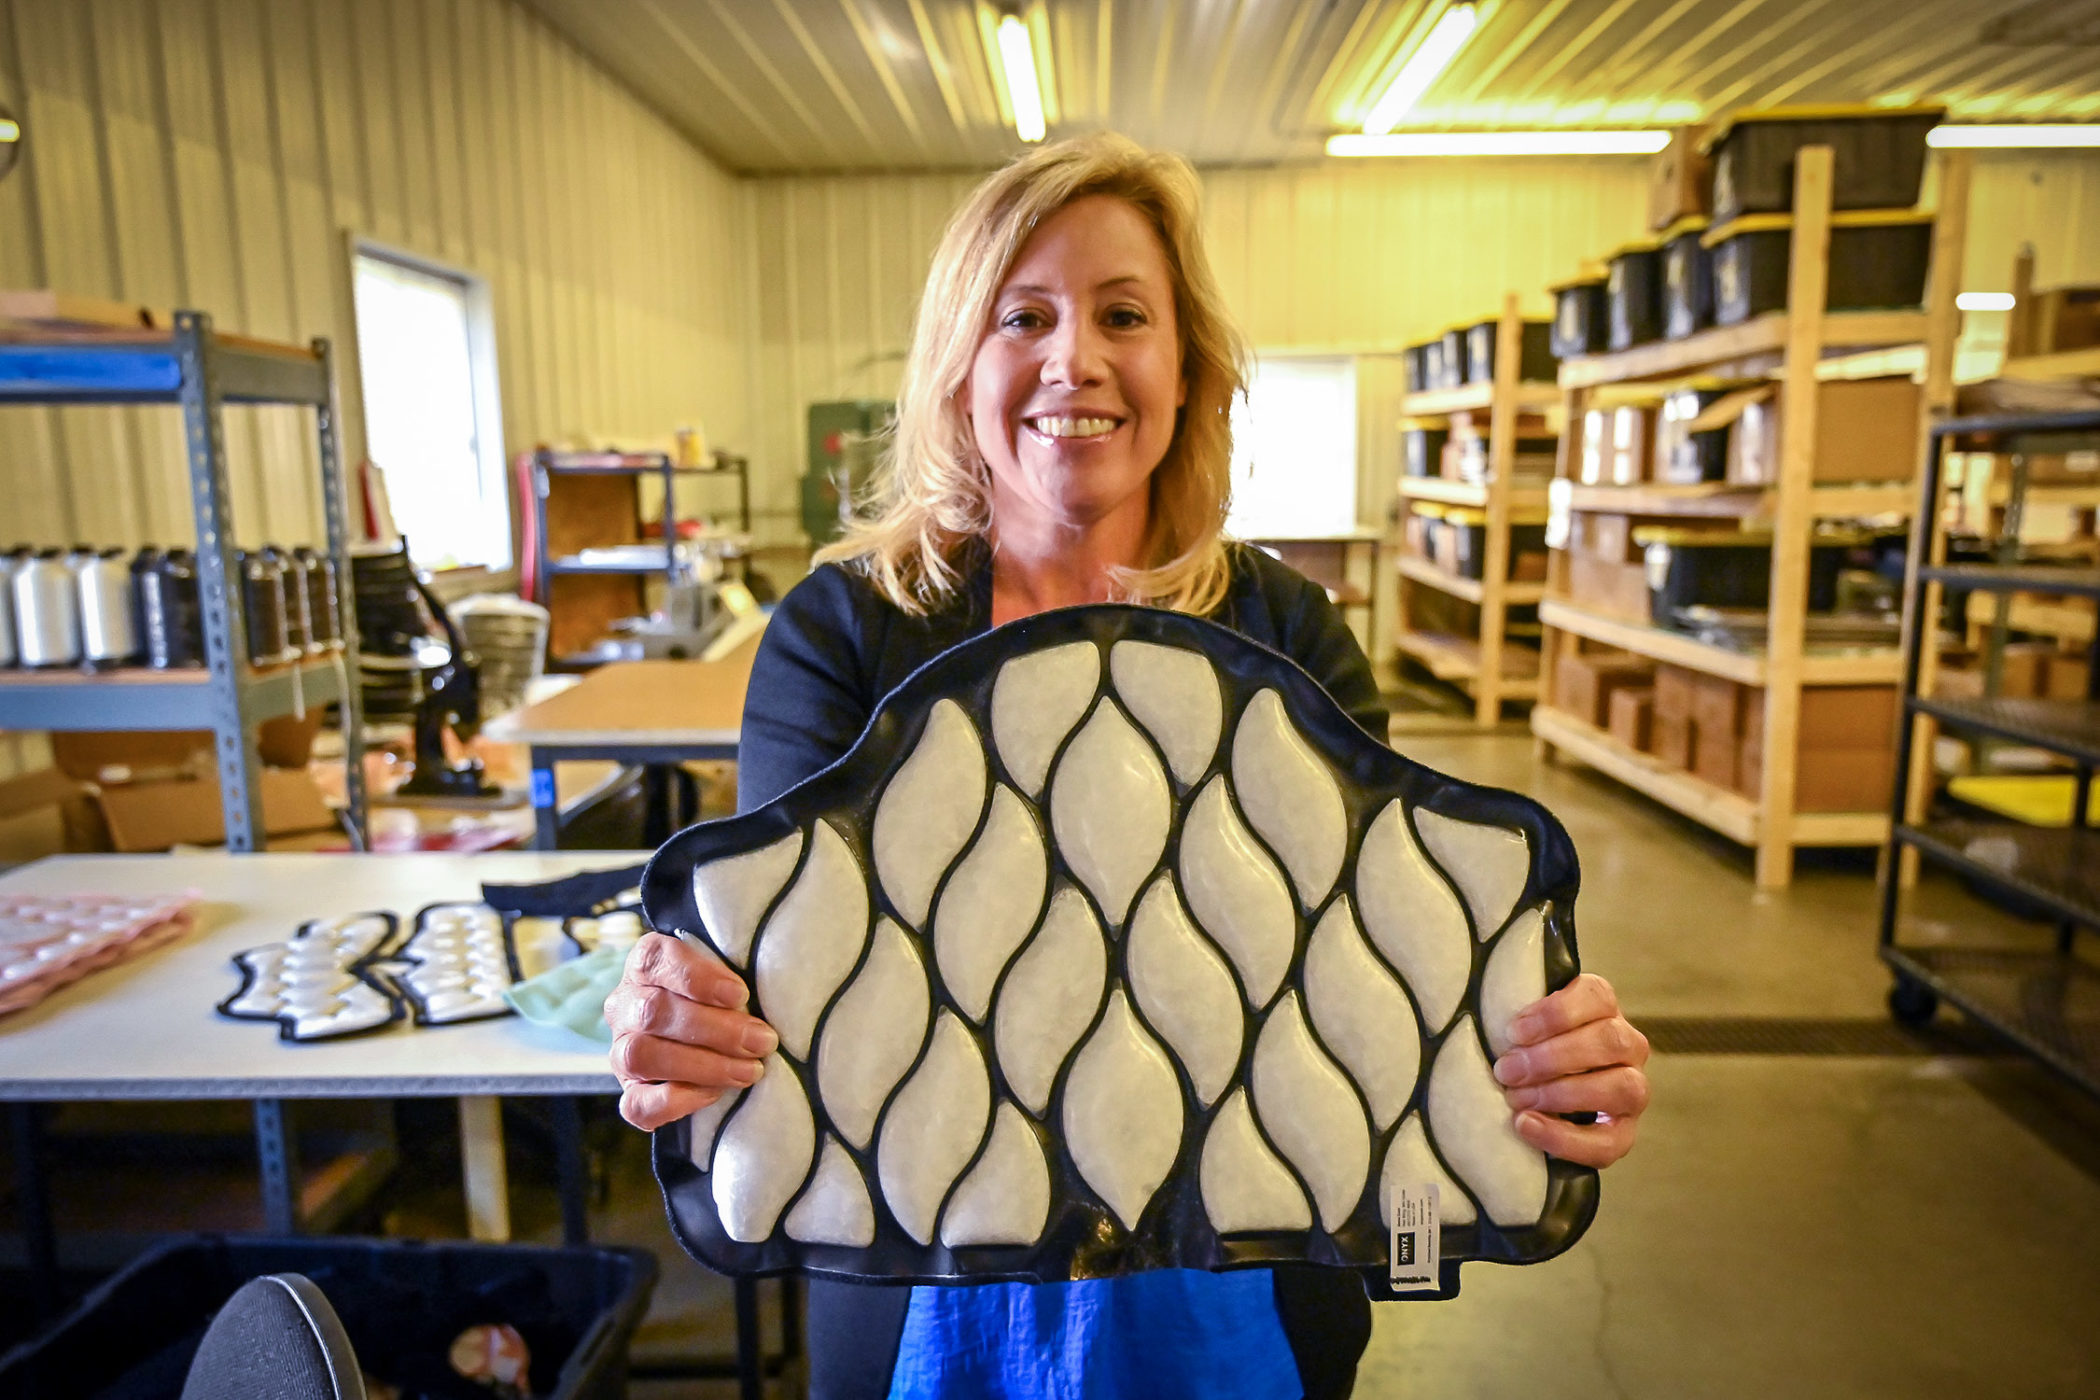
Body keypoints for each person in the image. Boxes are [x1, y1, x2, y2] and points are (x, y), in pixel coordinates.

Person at [605, 132, 1651, 1400]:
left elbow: (1384, 970)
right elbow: (770, 979)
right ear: (959, 367)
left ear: (1186, 366)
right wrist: (682, 1015)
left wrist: (1529, 1067)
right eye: (1023, 315)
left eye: (1123, 314)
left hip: (1244, 1301)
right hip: (927, 1308)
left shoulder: (1289, 633)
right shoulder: (845, 633)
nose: (1075, 359)